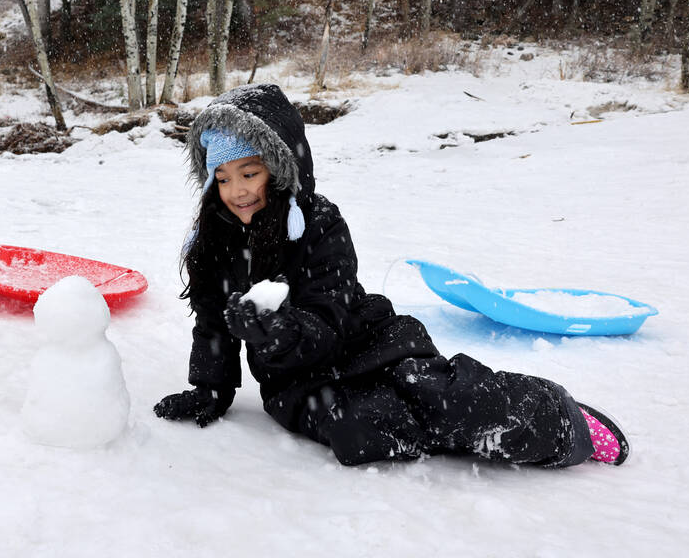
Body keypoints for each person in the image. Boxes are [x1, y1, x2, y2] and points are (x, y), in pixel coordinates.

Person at [153, 83, 628, 467]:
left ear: (279, 169)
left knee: (442, 397)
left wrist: (283, 329)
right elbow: (213, 320)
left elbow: (327, 315)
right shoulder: (216, 238)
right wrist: (211, 388)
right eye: (223, 177)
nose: (236, 191)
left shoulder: (319, 223)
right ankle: (447, 435)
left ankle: (562, 420)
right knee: (357, 431)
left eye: (249, 173)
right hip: (298, 382)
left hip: (368, 342)